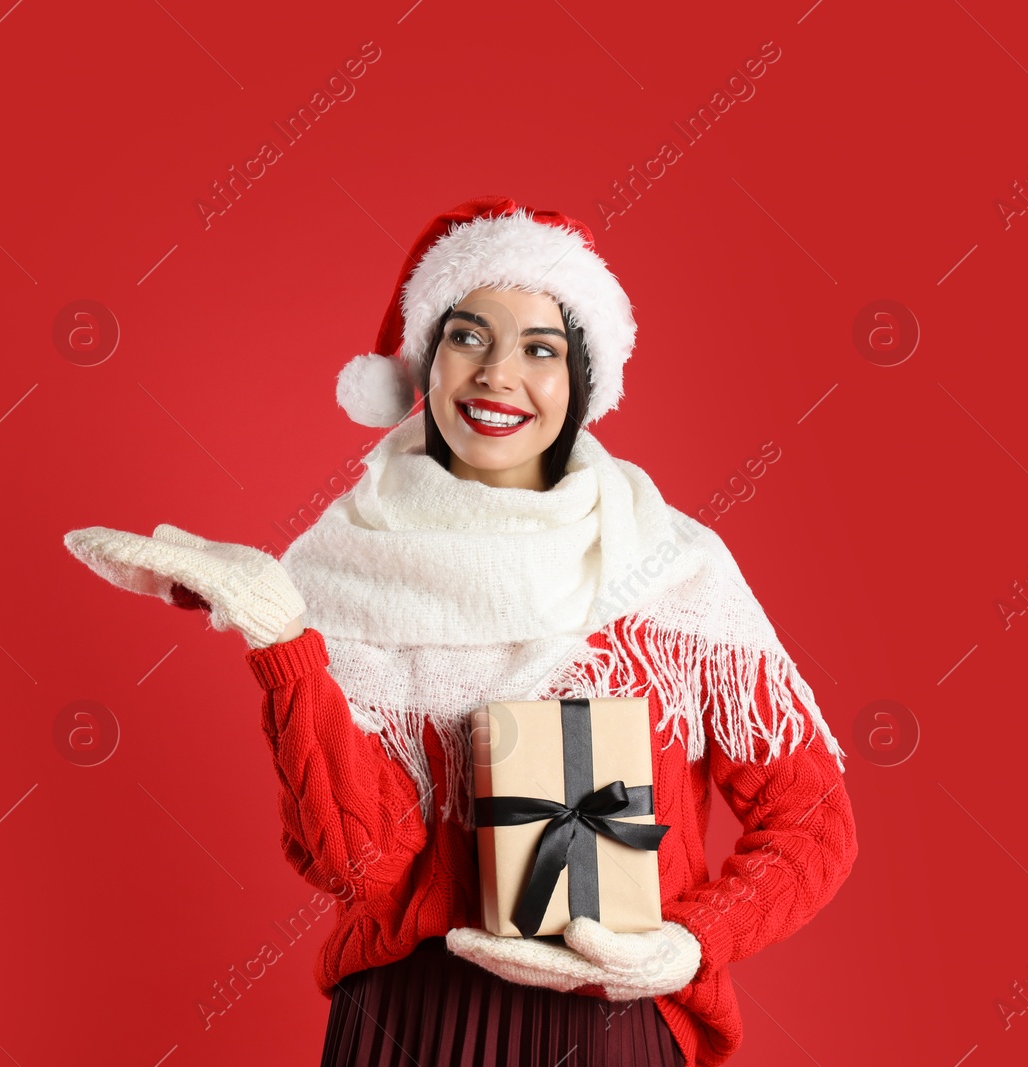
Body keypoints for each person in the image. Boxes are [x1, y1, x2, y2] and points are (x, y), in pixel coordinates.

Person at [64, 197, 859, 1066]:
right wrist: (283, 638)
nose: (497, 373)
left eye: (541, 348)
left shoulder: (670, 572)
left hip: (616, 1024)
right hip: (416, 1022)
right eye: (468, 336)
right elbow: (364, 864)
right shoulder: (337, 567)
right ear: (425, 361)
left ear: (582, 378)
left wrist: (690, 942)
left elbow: (812, 820)